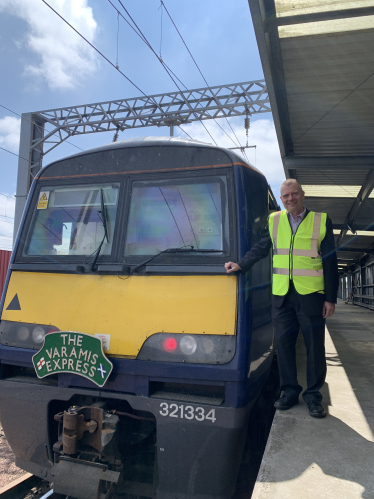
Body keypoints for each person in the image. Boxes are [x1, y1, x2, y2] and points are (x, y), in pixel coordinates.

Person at [225, 179, 338, 418]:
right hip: (282, 296)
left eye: (294, 194)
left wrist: (331, 298)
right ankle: (289, 392)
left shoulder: (321, 221)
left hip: (312, 296)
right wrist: (241, 265)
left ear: (303, 195)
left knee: (314, 348)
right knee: (285, 346)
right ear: (282, 198)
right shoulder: (274, 220)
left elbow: (330, 262)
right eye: (285, 196)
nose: (290, 199)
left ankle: (314, 396)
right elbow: (261, 248)